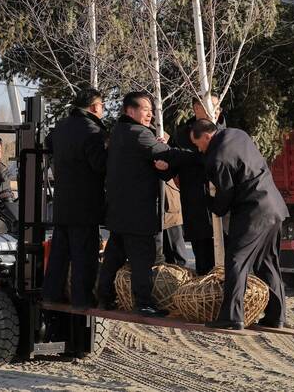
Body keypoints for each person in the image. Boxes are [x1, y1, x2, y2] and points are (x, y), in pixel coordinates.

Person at [189, 118, 289, 330]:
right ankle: (277, 317)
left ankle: (233, 317)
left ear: (207, 137)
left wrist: (211, 204)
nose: (199, 150)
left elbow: (225, 195)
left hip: (253, 211)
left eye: (198, 145)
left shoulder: (217, 158)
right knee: (268, 263)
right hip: (274, 205)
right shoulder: (238, 133)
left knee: (236, 261)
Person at [96, 91, 188, 317]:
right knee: (141, 260)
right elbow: (166, 154)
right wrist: (197, 156)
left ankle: (103, 298)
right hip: (137, 213)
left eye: (151, 110)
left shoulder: (118, 131)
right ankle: (143, 303)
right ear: (130, 111)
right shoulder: (138, 134)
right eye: (144, 110)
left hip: (119, 210)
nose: (149, 114)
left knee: (114, 258)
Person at [42, 88, 108, 308]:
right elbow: (100, 165)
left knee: (60, 254)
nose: (103, 111)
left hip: (63, 203)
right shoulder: (92, 131)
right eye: (102, 106)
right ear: (94, 107)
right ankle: (82, 298)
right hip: (85, 204)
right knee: (84, 256)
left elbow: (47, 144)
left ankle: (51, 293)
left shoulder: (61, 127)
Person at [169, 95, 225, 275]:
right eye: (209, 106)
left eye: (217, 106)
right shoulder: (183, 135)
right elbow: (175, 161)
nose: (214, 110)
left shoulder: (225, 132)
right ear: (196, 109)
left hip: (223, 205)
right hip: (196, 205)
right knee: (203, 258)